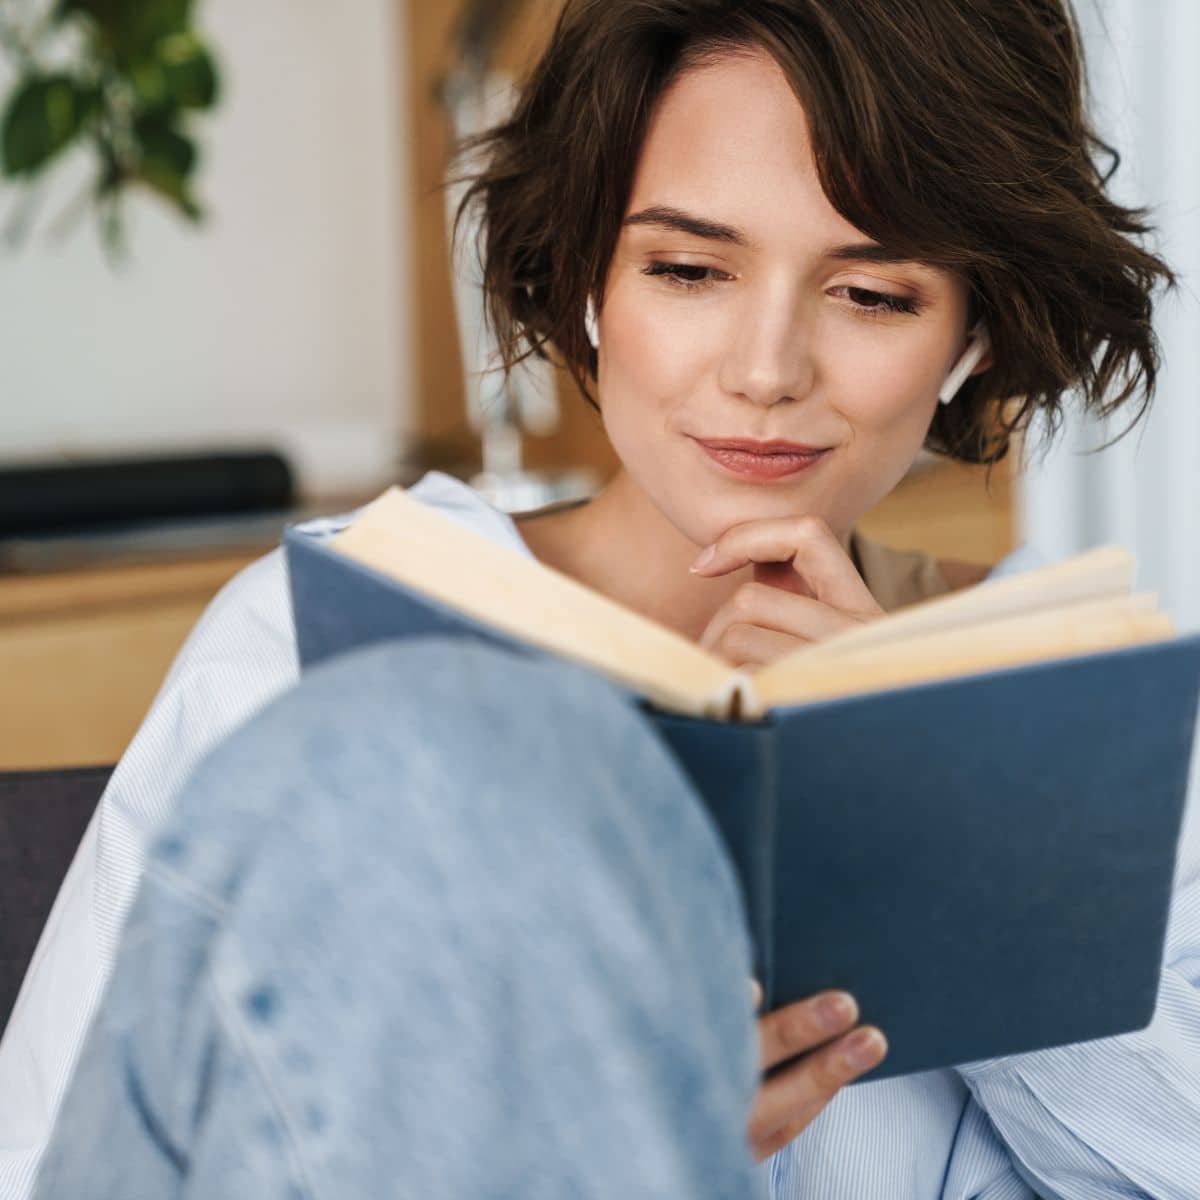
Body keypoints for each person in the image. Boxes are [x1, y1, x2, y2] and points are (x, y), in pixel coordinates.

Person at [6, 0, 1198, 1196]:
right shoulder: (302, 653)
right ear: (587, 273)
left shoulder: (1085, 714)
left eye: (873, 294)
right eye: (688, 269)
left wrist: (938, 813)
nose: (766, 371)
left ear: (975, 330)